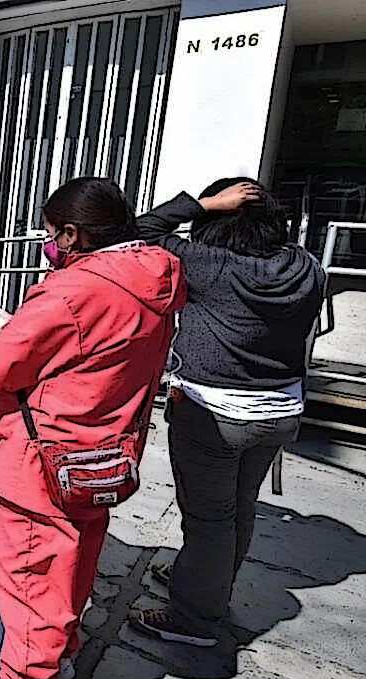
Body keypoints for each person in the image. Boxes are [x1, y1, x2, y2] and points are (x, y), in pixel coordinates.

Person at [0, 178, 185, 679]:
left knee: (31, 579)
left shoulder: (74, 293)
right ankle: (57, 656)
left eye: (51, 234)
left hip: (46, 459)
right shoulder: (154, 278)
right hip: (105, 453)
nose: (49, 244)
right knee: (73, 570)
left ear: (72, 233)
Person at [128, 179, 325, 648]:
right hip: (280, 412)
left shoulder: (211, 266)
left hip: (214, 415)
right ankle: (204, 584)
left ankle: (195, 619)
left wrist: (205, 203)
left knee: (209, 520)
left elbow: (138, 230)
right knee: (238, 510)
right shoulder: (305, 269)